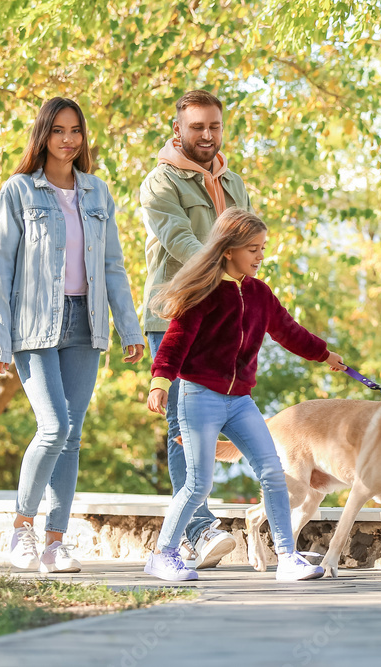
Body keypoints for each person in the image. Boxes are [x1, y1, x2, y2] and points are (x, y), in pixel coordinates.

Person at [0, 97, 145, 573]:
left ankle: (55, 542)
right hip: (34, 324)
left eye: (75, 131)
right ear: (43, 135)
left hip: (86, 322)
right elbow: (0, 270)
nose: (68, 140)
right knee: (53, 427)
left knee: (72, 437)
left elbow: (113, 267)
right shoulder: (19, 191)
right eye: (58, 131)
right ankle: (20, 530)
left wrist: (128, 328)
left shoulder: (97, 193)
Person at [144, 207, 346, 582]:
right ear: (228, 250)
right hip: (198, 395)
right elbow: (175, 341)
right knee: (198, 483)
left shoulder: (259, 294)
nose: (260, 256)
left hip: (239, 401)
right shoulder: (203, 293)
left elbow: (288, 331)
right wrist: (160, 381)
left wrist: (324, 354)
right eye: (252, 248)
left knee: (273, 471)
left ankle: (286, 558)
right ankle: (163, 554)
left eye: (263, 247)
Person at [140, 90, 251, 568]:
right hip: (176, 316)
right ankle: (200, 529)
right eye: (197, 127)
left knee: (223, 419)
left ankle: (187, 534)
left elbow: (249, 243)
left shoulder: (234, 182)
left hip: (225, 318)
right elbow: (181, 242)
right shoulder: (160, 182)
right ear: (178, 129)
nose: (207, 135)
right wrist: (227, 260)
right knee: (183, 424)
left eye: (214, 127)